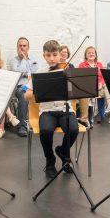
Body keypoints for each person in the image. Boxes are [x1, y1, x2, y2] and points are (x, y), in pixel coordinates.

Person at [24, 40, 79, 178]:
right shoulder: (40, 73)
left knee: (73, 129)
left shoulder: (67, 72)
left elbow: (75, 92)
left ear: (60, 55)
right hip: (47, 111)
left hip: (65, 110)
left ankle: (63, 153)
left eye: (54, 55)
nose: (52, 58)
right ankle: (50, 160)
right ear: (44, 56)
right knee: (46, 131)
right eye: (48, 55)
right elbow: (26, 96)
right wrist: (38, 89)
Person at [78, 46, 110, 125]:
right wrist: (94, 84)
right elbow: (82, 79)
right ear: (86, 55)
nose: (91, 54)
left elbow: (103, 77)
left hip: (100, 89)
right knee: (105, 88)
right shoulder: (82, 65)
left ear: (95, 55)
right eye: (89, 53)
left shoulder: (99, 64)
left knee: (108, 87)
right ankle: (86, 119)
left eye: (93, 53)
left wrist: (101, 83)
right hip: (88, 89)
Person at [8, 37, 39, 137]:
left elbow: (35, 73)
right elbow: (19, 73)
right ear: (17, 47)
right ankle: (22, 125)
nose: (22, 48)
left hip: (33, 85)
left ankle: (42, 121)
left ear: (28, 47)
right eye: (20, 46)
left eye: (24, 46)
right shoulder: (13, 61)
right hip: (20, 87)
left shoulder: (34, 60)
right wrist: (24, 60)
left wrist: (25, 73)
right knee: (23, 95)